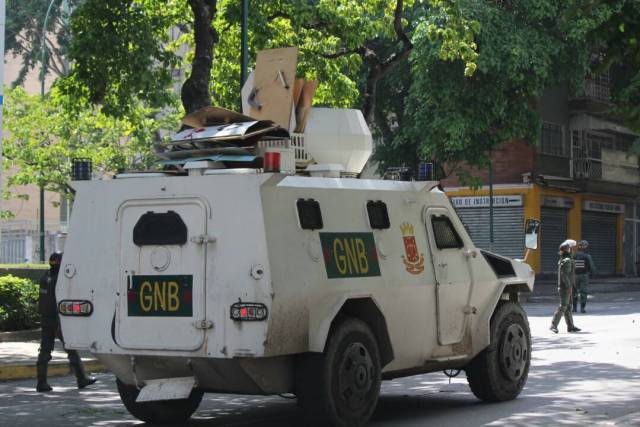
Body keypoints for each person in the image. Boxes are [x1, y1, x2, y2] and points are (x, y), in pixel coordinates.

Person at [36, 252, 97, 392]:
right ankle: (81, 378)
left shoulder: (45, 277)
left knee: (44, 351)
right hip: (59, 320)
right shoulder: (60, 279)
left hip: (46, 319)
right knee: (71, 350)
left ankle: (41, 382)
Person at [550, 240, 581, 334]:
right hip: (565, 287)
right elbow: (564, 275)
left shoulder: (564, 259)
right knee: (563, 306)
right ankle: (553, 325)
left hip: (568, 286)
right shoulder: (567, 260)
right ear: (567, 250)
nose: (571, 249)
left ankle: (570, 326)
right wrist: (569, 287)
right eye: (570, 248)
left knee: (568, 307)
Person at [573, 240, 596, 313]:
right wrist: (593, 274)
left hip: (574, 276)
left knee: (574, 292)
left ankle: (574, 308)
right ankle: (582, 308)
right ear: (585, 247)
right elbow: (592, 267)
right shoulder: (587, 256)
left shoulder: (574, 255)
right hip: (584, 275)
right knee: (583, 292)